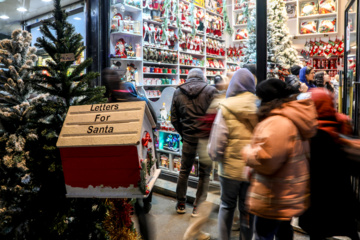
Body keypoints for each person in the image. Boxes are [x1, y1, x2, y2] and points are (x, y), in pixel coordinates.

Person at [241, 78, 318, 240]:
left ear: (267, 99)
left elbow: (267, 160)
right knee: (283, 231)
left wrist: (248, 152)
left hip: (273, 195)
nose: (257, 102)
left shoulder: (277, 122)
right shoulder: (290, 115)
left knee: (264, 234)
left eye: (259, 98)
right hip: (286, 190)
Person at [298, 88, 359, 240]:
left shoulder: (310, 131)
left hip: (316, 193)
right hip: (340, 191)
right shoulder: (341, 122)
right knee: (348, 228)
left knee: (317, 231)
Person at [208, 69, 258, 240]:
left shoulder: (226, 107)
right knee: (247, 209)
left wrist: (216, 156)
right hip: (251, 169)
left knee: (227, 205)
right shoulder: (258, 106)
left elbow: (218, 139)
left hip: (229, 169)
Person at [183, 74, 229, 240]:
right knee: (213, 193)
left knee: (188, 173)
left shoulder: (216, 98)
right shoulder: (221, 99)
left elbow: (175, 115)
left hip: (203, 144)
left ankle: (184, 207)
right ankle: (194, 230)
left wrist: (184, 133)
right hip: (218, 152)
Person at [171, 68, 217, 215]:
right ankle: (198, 207)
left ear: (188, 77)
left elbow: (174, 118)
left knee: (184, 171)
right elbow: (217, 117)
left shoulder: (178, 91)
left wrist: (183, 133)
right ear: (202, 77)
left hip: (188, 138)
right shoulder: (211, 90)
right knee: (204, 174)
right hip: (206, 138)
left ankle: (181, 204)